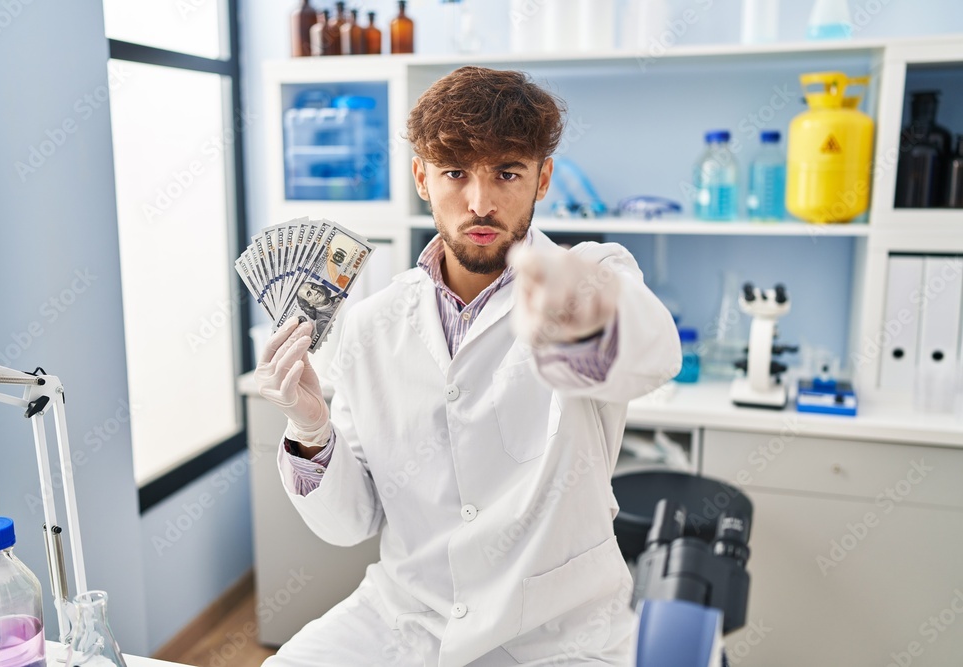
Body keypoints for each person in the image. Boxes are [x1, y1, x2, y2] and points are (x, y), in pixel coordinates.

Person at [257, 66, 681, 667]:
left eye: (507, 173)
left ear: (543, 179)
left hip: (558, 635)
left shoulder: (593, 273)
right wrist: (310, 431)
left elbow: (653, 354)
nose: (480, 203)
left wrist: (571, 304)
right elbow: (351, 523)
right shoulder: (373, 321)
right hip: (406, 616)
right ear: (421, 178)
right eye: (456, 173)